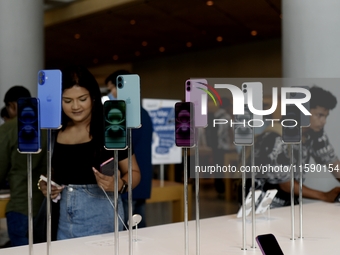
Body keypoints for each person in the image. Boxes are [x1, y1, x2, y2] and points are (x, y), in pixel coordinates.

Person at [38, 65, 141, 240]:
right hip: (62, 220)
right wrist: (47, 184)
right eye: (67, 101)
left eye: (82, 99)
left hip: (103, 219)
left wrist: (120, 184)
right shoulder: (56, 131)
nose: (75, 106)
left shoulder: (110, 128)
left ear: (93, 97)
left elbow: (134, 172)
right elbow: (57, 172)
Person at [251, 86, 340, 208]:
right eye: (319, 115)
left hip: (289, 204)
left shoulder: (314, 135)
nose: (324, 121)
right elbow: (285, 183)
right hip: (262, 206)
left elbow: (332, 162)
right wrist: (324, 196)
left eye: (325, 116)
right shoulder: (275, 138)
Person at [105, 70, 153, 228]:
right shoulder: (144, 113)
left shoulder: (123, 117)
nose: (112, 93)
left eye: (114, 88)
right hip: (141, 178)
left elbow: (123, 148)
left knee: (127, 225)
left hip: (128, 178)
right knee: (139, 223)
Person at [0, 86, 47, 246]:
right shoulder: (47, 126)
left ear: (12, 105)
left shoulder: (8, 128)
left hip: (20, 206)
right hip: (45, 206)